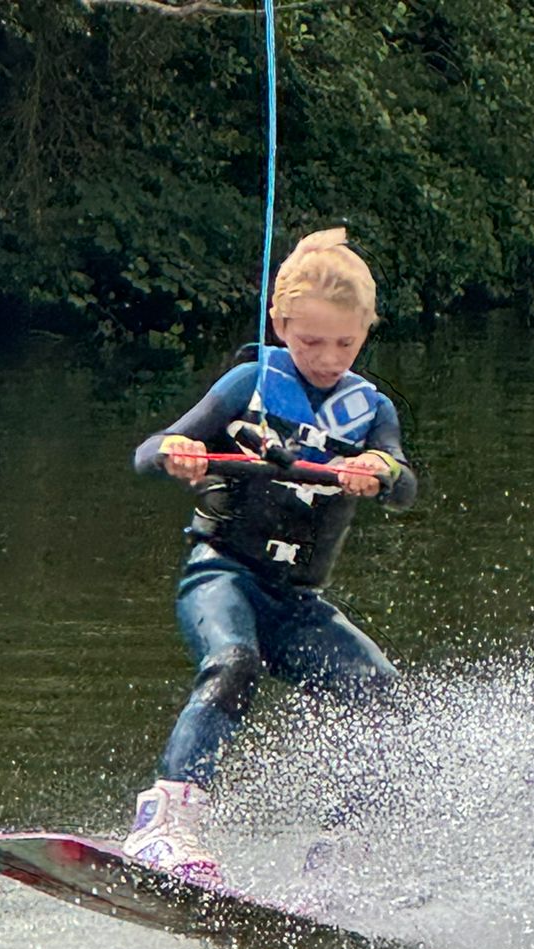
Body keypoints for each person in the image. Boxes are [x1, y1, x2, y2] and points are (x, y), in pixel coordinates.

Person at [125, 228, 417, 887]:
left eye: (345, 344)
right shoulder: (248, 384)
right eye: (310, 342)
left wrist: (378, 469)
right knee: (234, 662)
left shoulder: (370, 411)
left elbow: (404, 482)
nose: (327, 358)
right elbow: (149, 451)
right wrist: (179, 452)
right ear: (281, 325)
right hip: (223, 576)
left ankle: (344, 850)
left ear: (365, 333)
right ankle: (164, 824)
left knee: (381, 694)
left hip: (296, 602)